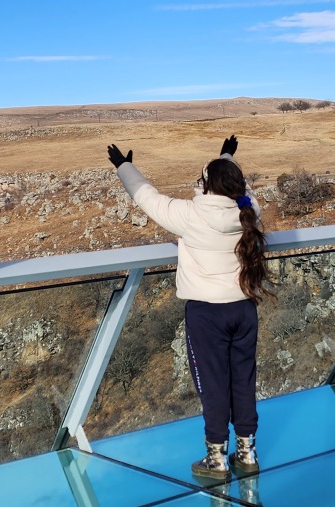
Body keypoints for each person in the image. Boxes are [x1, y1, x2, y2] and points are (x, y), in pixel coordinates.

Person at [107, 135, 271, 480]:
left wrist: (125, 166)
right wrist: (226, 156)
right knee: (243, 380)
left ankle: (216, 457)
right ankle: (248, 451)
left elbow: (146, 197)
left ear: (206, 184)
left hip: (207, 313)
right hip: (244, 309)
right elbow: (231, 182)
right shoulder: (249, 210)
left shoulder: (189, 215)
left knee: (213, 384)